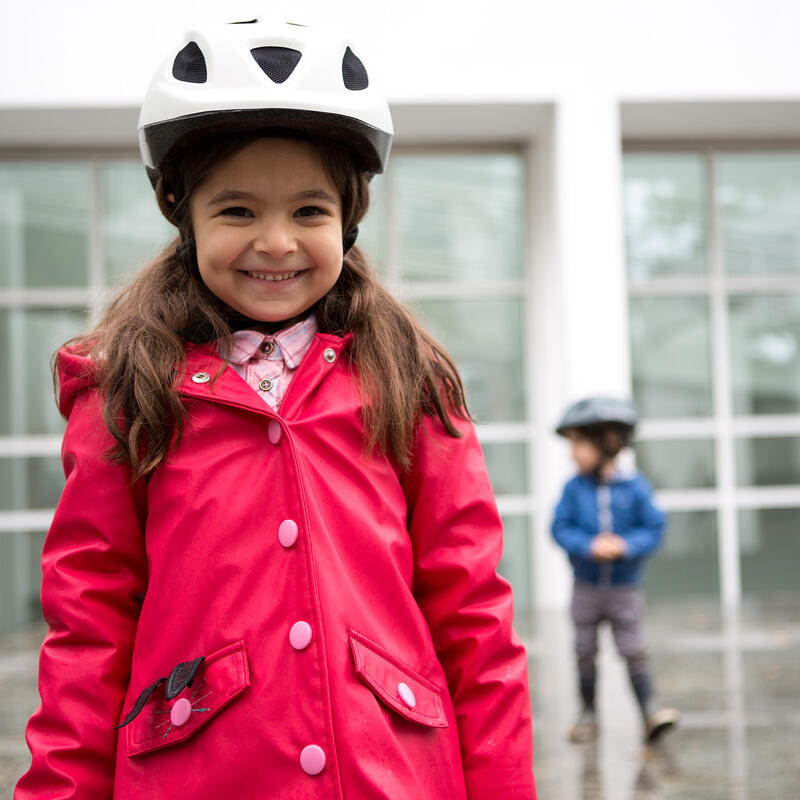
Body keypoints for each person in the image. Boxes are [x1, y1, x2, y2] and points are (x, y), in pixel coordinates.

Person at [15, 18, 536, 800]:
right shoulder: (124, 389)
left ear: (349, 218)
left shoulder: (410, 381)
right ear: (182, 215)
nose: (275, 242)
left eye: (308, 212)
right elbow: (89, 629)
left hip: (390, 778)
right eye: (235, 211)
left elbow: (474, 619)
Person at [551, 396, 678, 744]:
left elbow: (654, 529)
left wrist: (625, 545)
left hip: (625, 589)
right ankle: (588, 713)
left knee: (634, 648)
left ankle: (649, 711)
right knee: (584, 649)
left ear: (608, 444)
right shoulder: (573, 489)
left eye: (578, 443)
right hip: (586, 589)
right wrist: (588, 545)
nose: (572, 452)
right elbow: (559, 528)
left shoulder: (635, 487)